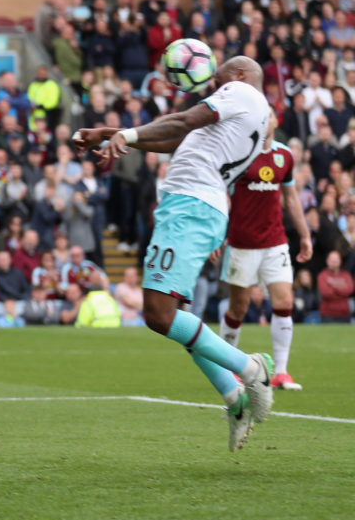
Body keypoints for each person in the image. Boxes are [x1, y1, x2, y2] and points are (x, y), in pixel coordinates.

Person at [74, 56, 275, 452]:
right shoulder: (237, 115)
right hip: (191, 207)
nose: (211, 85)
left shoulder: (241, 92)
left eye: (216, 79)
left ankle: (252, 369)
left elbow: (181, 123)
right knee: (175, 314)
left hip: (191, 206)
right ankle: (234, 400)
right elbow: (173, 138)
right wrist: (109, 133)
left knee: (159, 314)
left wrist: (127, 136)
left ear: (236, 76)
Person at [218, 115, 313, 390]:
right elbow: (222, 196)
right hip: (242, 244)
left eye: (270, 113)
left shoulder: (284, 155)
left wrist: (305, 234)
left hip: (275, 242)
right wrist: (217, 235)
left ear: (275, 121)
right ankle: (228, 367)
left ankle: (281, 373)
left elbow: (291, 197)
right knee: (238, 307)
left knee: (284, 301)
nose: (266, 117)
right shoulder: (238, 153)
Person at [317, 250, 354, 323]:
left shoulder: (346, 275)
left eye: (336, 260)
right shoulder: (322, 275)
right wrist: (342, 290)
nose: (334, 263)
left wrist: (333, 288)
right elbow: (326, 293)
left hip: (345, 314)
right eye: (332, 260)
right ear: (327, 261)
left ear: (340, 261)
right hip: (328, 315)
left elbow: (350, 290)